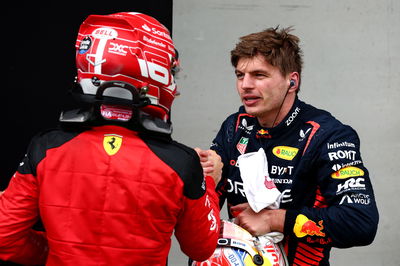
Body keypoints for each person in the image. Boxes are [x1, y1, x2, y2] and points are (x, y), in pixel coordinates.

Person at [0, 12, 222, 265]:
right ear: (151, 73)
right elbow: (202, 247)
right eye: (172, 73)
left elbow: (4, 237)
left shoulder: (46, 148)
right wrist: (209, 183)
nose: (176, 87)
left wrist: (53, 254)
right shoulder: (181, 163)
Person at [205, 26, 379, 265]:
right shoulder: (235, 127)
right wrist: (199, 176)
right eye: (239, 75)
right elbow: (205, 206)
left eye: (259, 75)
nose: (245, 85)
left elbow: (361, 222)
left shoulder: (328, 136)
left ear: (292, 81)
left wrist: (275, 220)